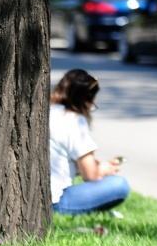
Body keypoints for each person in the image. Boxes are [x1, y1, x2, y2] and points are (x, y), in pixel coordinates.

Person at [50, 69, 130, 215]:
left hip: (36, 196)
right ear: (85, 101)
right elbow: (91, 175)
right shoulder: (74, 121)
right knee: (119, 184)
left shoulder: (48, 111)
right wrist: (106, 168)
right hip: (56, 201)